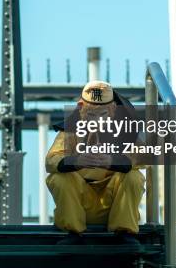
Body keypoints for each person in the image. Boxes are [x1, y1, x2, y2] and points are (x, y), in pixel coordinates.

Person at [46, 80, 145, 245]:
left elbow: (142, 156)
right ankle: (73, 231)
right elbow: (51, 160)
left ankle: (124, 231)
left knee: (134, 176)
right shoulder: (71, 132)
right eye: (91, 115)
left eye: (102, 115)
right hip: (79, 202)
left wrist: (113, 161)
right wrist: (75, 161)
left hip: (114, 204)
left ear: (113, 110)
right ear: (81, 109)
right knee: (58, 177)